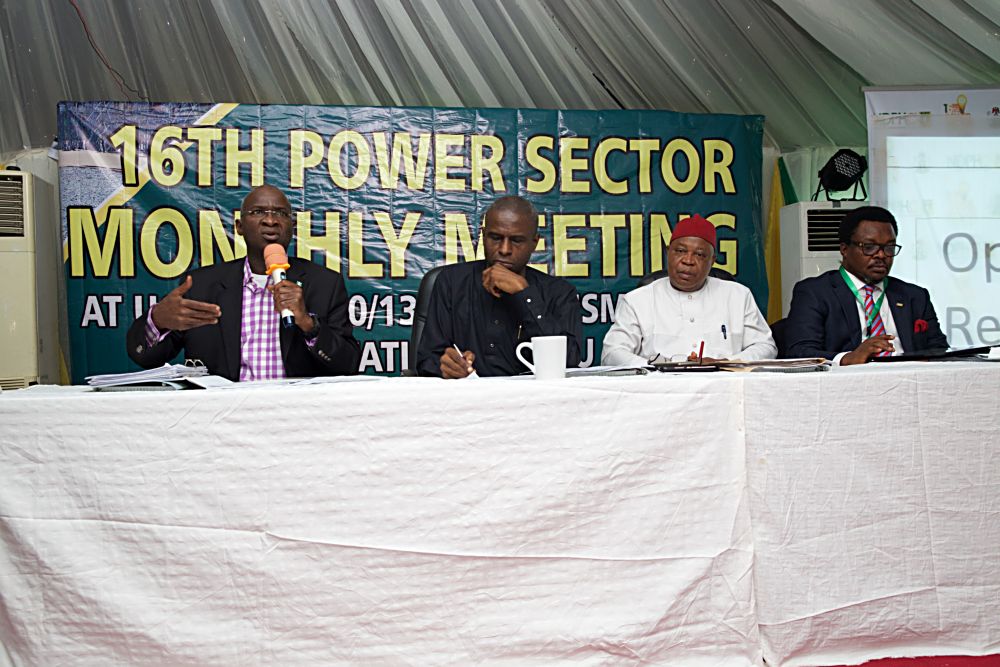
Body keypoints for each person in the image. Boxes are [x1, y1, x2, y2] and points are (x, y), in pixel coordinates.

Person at [126, 184, 360, 380]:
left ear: (291, 227)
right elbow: (145, 357)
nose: (270, 220)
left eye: (281, 213)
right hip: (221, 418)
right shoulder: (201, 286)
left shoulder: (324, 284)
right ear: (239, 227)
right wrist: (157, 321)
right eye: (258, 212)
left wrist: (309, 325)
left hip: (296, 417)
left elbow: (348, 365)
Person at [416, 195, 582, 378]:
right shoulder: (451, 282)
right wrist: (447, 366)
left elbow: (569, 361)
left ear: (534, 243)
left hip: (532, 401)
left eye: (516, 240)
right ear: (484, 236)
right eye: (495, 238)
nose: (504, 249)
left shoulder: (559, 292)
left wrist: (525, 293)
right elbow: (426, 358)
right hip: (465, 399)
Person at [601, 214, 776, 365]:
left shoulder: (738, 295)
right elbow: (612, 353)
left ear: (712, 260)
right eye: (680, 251)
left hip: (723, 388)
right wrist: (657, 367)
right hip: (660, 391)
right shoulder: (637, 300)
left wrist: (727, 364)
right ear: (668, 253)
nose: (688, 260)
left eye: (699, 254)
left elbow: (766, 347)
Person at [783, 205, 947, 364]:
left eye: (889, 247)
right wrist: (848, 358)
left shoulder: (915, 296)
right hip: (847, 384)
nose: (881, 255)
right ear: (845, 249)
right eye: (869, 247)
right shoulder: (815, 293)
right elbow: (800, 352)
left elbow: (939, 349)